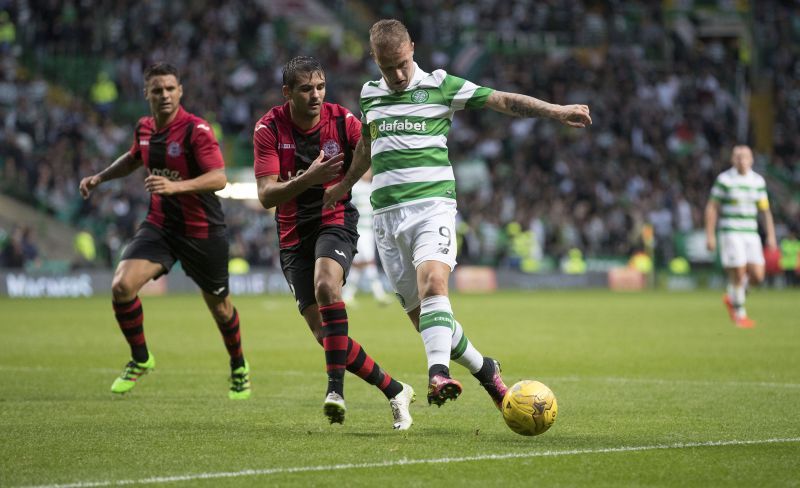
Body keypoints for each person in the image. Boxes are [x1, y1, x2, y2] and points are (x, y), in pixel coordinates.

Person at [324, 19, 592, 410]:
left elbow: (502, 100)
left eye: (402, 63)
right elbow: (367, 144)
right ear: (374, 60)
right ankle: (486, 370)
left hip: (432, 207)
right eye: (387, 67)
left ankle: (437, 374)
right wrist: (345, 184)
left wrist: (556, 111)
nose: (397, 74)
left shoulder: (441, 84)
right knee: (428, 321)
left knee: (435, 283)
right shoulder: (369, 95)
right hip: (386, 220)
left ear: (412, 48)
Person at [253, 56, 414, 429]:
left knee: (327, 286)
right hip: (292, 233)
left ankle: (335, 391)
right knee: (326, 337)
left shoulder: (342, 120)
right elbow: (266, 196)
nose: (315, 95)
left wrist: (354, 180)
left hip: (335, 219)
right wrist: (308, 179)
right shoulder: (268, 129)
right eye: (306, 89)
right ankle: (394, 389)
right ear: (287, 92)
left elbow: (372, 149)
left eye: (321, 87)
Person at [79, 62, 251, 399]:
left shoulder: (196, 130)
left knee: (220, 308)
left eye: (170, 88)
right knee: (122, 285)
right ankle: (140, 359)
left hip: (203, 231)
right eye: (157, 89)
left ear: (180, 91)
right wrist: (100, 177)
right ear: (146, 93)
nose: (165, 95)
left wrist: (176, 187)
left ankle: (238, 364)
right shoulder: (145, 128)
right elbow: (133, 158)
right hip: (161, 226)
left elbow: (218, 178)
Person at [705, 144, 777, 328]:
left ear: (752, 159)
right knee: (738, 272)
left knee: (758, 276)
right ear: (732, 160)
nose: (741, 160)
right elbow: (712, 207)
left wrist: (771, 234)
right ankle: (740, 314)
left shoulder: (758, 181)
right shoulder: (725, 180)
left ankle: (733, 297)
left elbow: (765, 210)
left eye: (745, 156)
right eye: (738, 156)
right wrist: (710, 235)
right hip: (731, 231)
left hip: (751, 232)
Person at [341, 169, 393, 306]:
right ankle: (379, 294)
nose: (369, 173)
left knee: (359, 265)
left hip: (369, 230)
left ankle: (347, 295)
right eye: (366, 170)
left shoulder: (372, 187)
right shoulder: (355, 188)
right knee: (369, 261)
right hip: (359, 231)